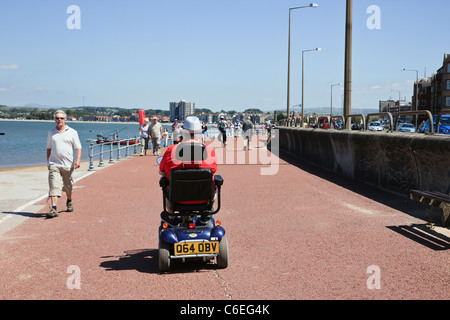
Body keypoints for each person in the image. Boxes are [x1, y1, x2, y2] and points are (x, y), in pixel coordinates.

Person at [159, 116, 218, 225]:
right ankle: (205, 214)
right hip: (203, 200)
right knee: (214, 181)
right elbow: (213, 171)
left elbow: (162, 171)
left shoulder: (172, 150)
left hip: (177, 200)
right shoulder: (209, 151)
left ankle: (172, 216)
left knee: (164, 181)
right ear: (200, 133)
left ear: (183, 133)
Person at [46, 110, 82, 218]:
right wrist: (48, 162)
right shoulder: (51, 132)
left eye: (61, 118)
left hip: (68, 164)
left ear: (65, 119)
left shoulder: (72, 132)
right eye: (57, 118)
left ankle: (69, 200)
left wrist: (78, 160)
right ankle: (54, 208)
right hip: (54, 164)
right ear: (54, 119)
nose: (59, 120)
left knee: (68, 186)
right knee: (54, 185)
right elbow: (49, 148)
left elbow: (78, 147)